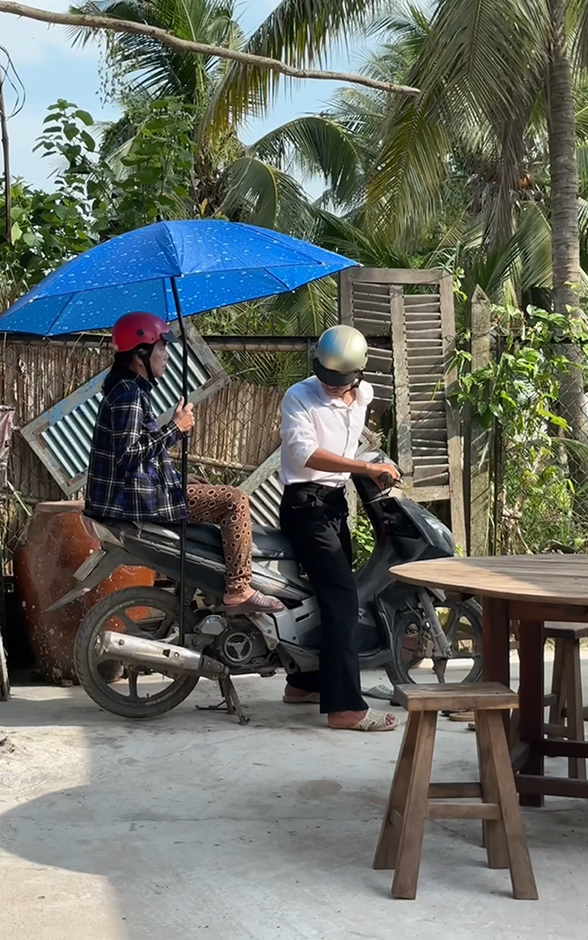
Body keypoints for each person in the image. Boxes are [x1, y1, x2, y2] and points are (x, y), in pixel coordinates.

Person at [86, 311, 282, 615]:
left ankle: (191, 592)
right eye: (161, 348)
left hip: (132, 495)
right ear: (140, 355)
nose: (166, 354)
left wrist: (178, 479)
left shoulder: (129, 390)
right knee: (234, 500)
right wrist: (175, 428)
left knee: (205, 492)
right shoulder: (128, 395)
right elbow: (128, 455)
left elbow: (141, 459)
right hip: (131, 501)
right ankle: (239, 589)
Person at [279, 324, 401, 731]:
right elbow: (305, 453)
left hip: (333, 505)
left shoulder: (362, 396)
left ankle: (304, 682)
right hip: (304, 506)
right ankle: (347, 709)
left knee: (321, 597)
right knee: (343, 601)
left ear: (359, 375)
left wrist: (380, 464)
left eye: (339, 381)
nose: (330, 386)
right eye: (325, 377)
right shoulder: (299, 396)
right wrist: (366, 467)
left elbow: (353, 443)